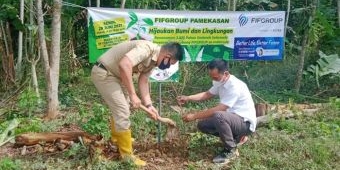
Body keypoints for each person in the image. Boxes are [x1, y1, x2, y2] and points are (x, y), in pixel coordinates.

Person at [91, 40, 184, 166]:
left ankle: (116, 139)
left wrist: (149, 106)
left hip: (118, 77)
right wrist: (133, 94)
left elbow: (144, 81)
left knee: (123, 110)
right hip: (105, 73)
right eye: (170, 63)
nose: (168, 66)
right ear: (167, 56)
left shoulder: (154, 61)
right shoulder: (146, 49)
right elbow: (124, 64)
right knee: (122, 110)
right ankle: (127, 157)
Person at [177, 58, 256, 164]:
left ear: (226, 73)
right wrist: (188, 97)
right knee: (203, 125)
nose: (213, 79)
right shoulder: (220, 81)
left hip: (244, 123)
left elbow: (220, 109)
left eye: (215, 77)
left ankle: (231, 150)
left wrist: (194, 116)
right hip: (232, 119)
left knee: (219, 116)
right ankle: (236, 138)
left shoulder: (235, 86)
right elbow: (207, 94)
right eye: (211, 77)